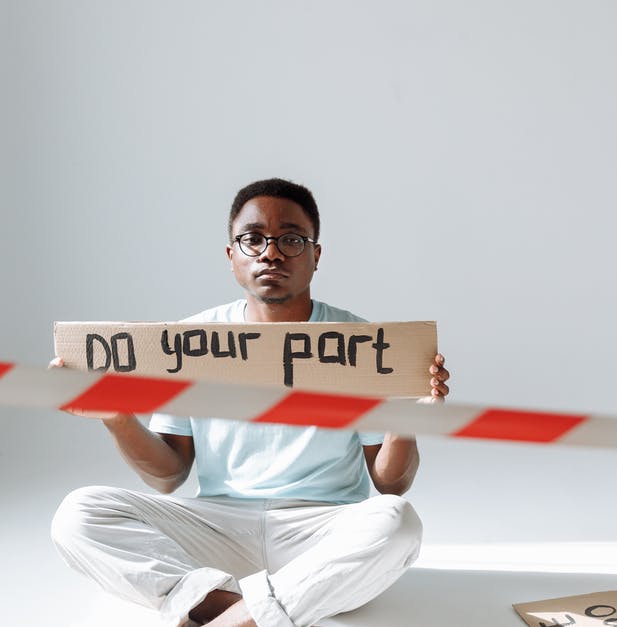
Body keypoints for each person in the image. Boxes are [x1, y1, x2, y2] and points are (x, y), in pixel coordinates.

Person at [50, 178, 450, 627]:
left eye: (291, 240)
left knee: (398, 523)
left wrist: (405, 419)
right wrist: (116, 417)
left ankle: (228, 615)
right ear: (232, 257)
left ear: (316, 255)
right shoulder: (193, 341)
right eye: (253, 239)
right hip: (220, 524)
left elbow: (391, 485)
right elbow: (169, 477)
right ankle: (249, 614)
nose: (271, 252)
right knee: (79, 515)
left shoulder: (361, 344)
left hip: (322, 529)